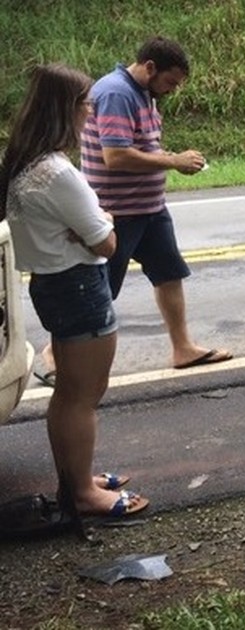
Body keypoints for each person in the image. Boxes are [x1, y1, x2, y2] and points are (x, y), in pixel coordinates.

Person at [0, 64, 149, 518]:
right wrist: (100, 222)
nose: (92, 109)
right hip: (79, 287)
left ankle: (76, 477)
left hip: (54, 285)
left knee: (69, 391)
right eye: (86, 102)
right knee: (82, 395)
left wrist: (88, 223)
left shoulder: (23, 160)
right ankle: (82, 492)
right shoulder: (57, 171)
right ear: (66, 109)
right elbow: (106, 240)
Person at [80, 36, 233, 370]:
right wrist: (173, 161)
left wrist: (166, 157)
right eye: (170, 82)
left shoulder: (143, 93)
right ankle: (59, 353)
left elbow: (140, 145)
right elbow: (116, 155)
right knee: (100, 287)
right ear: (150, 67)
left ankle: (183, 348)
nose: (172, 90)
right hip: (118, 211)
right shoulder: (116, 93)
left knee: (168, 274)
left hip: (149, 208)